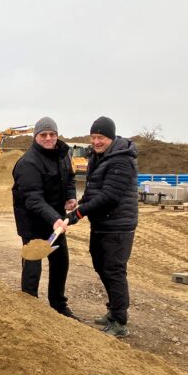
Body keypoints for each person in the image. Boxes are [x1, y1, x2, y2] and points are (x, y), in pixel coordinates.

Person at [66, 116, 139, 337]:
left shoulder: (121, 160)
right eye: (94, 137)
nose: (97, 142)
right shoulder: (97, 157)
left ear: (111, 137)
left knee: (114, 270)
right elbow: (93, 191)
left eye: (102, 138)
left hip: (118, 225)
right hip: (102, 223)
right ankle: (113, 310)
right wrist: (78, 204)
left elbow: (109, 196)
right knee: (101, 265)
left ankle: (119, 321)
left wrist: (78, 213)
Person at [11, 117, 77, 318]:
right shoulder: (28, 163)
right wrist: (54, 218)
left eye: (52, 134)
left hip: (55, 221)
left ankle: (58, 305)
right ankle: (30, 309)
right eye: (43, 135)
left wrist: (71, 196)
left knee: (60, 262)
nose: (48, 138)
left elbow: (70, 177)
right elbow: (32, 198)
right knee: (33, 264)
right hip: (33, 223)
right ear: (36, 136)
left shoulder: (63, 154)